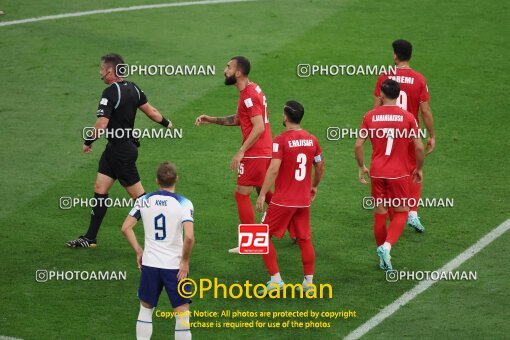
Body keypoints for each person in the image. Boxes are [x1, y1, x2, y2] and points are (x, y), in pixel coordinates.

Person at [66, 53, 172, 248]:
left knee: (141, 200)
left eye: (101, 69)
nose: (100, 73)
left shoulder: (110, 93)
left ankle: (163, 238)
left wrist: (88, 141)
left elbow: (101, 124)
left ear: (110, 71)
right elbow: (152, 111)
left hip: (122, 153)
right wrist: (167, 124)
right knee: (100, 189)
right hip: (114, 149)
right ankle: (90, 238)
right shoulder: (134, 88)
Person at [195, 56, 273, 253]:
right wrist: (211, 119)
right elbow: (241, 119)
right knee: (264, 191)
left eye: (229, 67)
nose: (225, 70)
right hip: (265, 151)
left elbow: (258, 127)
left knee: (241, 194)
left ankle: (253, 243)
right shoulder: (253, 89)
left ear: (238, 73)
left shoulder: (248, 96)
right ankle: (296, 228)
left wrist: (241, 151)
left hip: (255, 153)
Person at [256, 100, 324, 292]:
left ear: (286, 117)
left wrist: (262, 194)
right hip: (303, 200)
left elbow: (274, 168)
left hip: (283, 200)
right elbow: (319, 164)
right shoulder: (312, 139)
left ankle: (276, 280)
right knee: (304, 239)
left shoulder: (280, 140)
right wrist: (314, 186)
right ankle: (308, 284)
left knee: (261, 236)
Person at [356, 79, 425, 271]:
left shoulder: (369, 116)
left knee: (380, 213)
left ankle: (382, 258)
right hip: (399, 173)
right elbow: (419, 147)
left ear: (381, 94)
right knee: (402, 212)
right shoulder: (408, 117)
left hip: (377, 172)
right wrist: (418, 168)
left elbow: (358, 145)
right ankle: (386, 247)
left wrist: (361, 167)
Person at [122, 162, 194, 340]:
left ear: (157, 181)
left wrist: (139, 251)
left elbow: (125, 228)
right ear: (176, 179)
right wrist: (184, 261)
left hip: (150, 264)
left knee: (145, 310)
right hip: (174, 268)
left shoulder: (143, 200)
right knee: (182, 313)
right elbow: (190, 237)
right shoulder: (184, 203)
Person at [373, 39, 435, 232]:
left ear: (395, 55)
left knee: (389, 169)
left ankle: (394, 210)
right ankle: (412, 213)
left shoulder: (385, 77)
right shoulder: (419, 79)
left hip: (386, 133)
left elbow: (376, 107)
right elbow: (425, 111)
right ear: (410, 55)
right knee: (415, 170)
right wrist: (431, 135)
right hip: (409, 132)